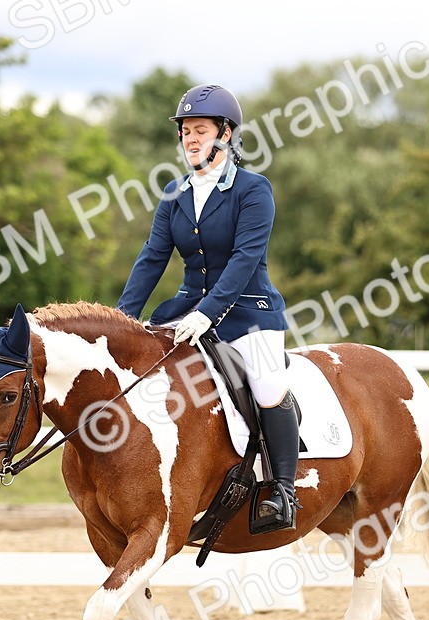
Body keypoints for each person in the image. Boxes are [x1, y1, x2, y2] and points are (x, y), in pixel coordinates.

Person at [115, 84, 299, 534]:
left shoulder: (254, 190)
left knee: (268, 386)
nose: (190, 140)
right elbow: (152, 257)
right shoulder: (174, 194)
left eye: (200, 130)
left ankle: (282, 490)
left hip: (248, 312)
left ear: (226, 133)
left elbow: (245, 258)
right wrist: (118, 320)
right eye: (185, 133)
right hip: (185, 310)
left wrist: (208, 312)